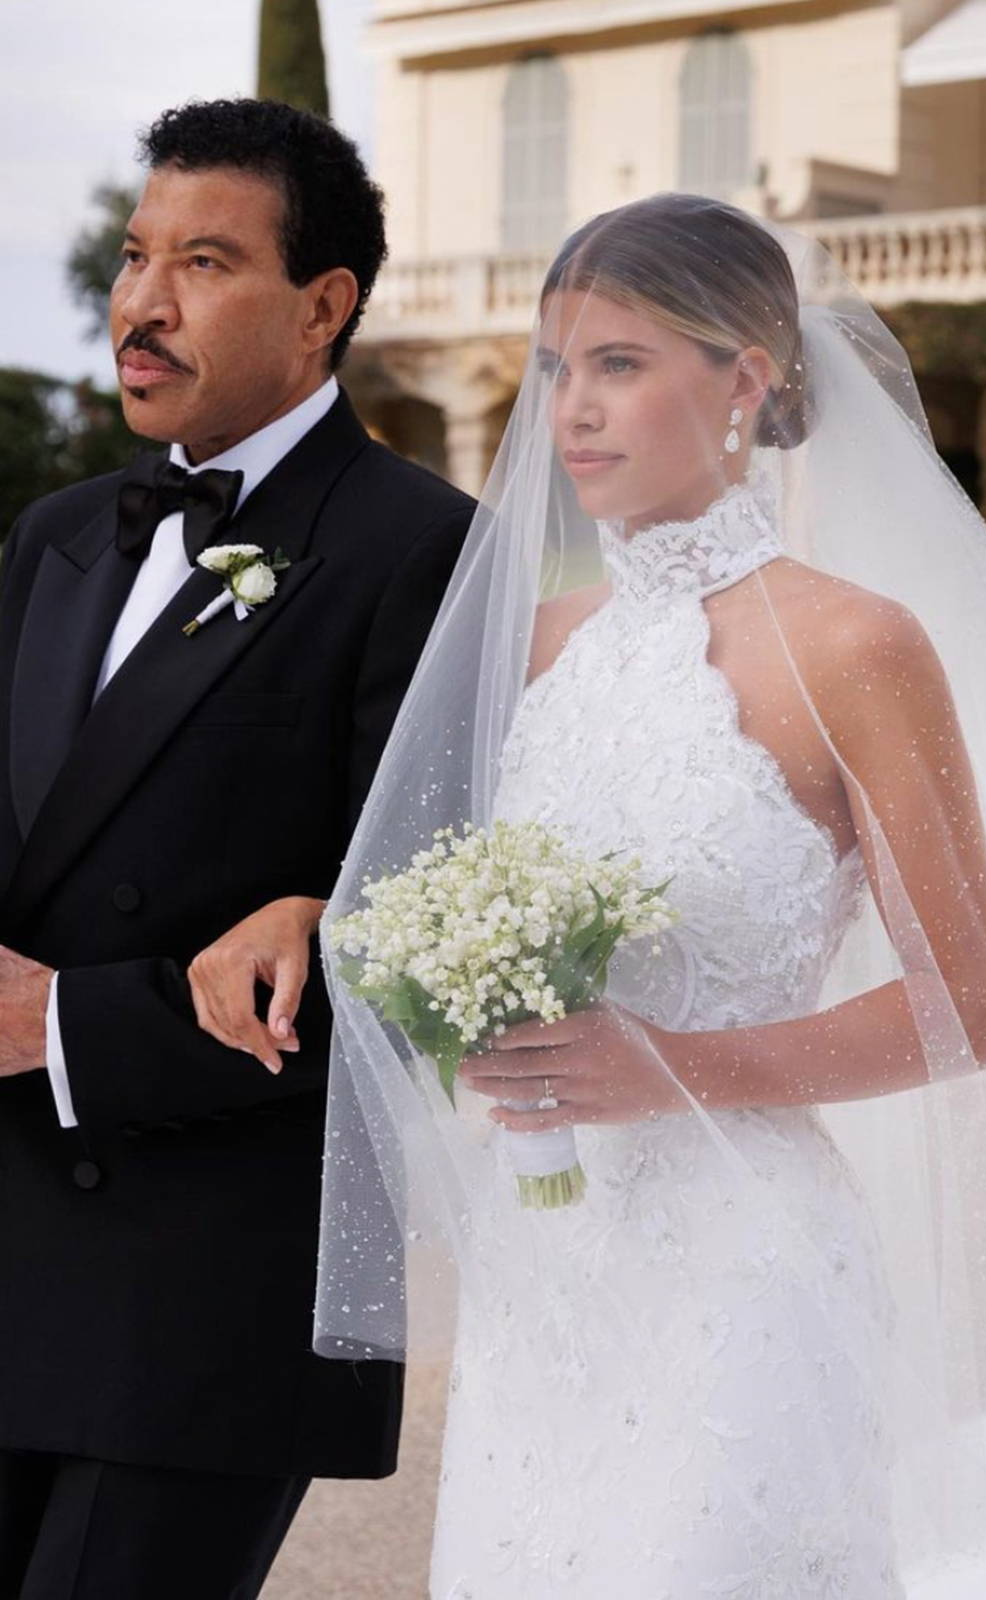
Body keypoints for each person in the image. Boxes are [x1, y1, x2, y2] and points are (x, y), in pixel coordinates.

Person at [190, 196, 986, 1594]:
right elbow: (426, 900)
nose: (572, 411)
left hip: (745, 1277)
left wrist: (673, 1068)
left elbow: (970, 1003)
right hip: (547, 1284)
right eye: (555, 368)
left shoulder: (856, 647)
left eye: (620, 363)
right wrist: (317, 921)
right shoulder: (532, 649)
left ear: (747, 382)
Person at [0, 97, 472, 1599]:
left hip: (209, 1295)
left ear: (323, 305)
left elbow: (432, 960)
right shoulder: (55, 537)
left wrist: (66, 1023)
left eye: (203, 264)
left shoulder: (430, 553)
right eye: (138, 257)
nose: (141, 304)